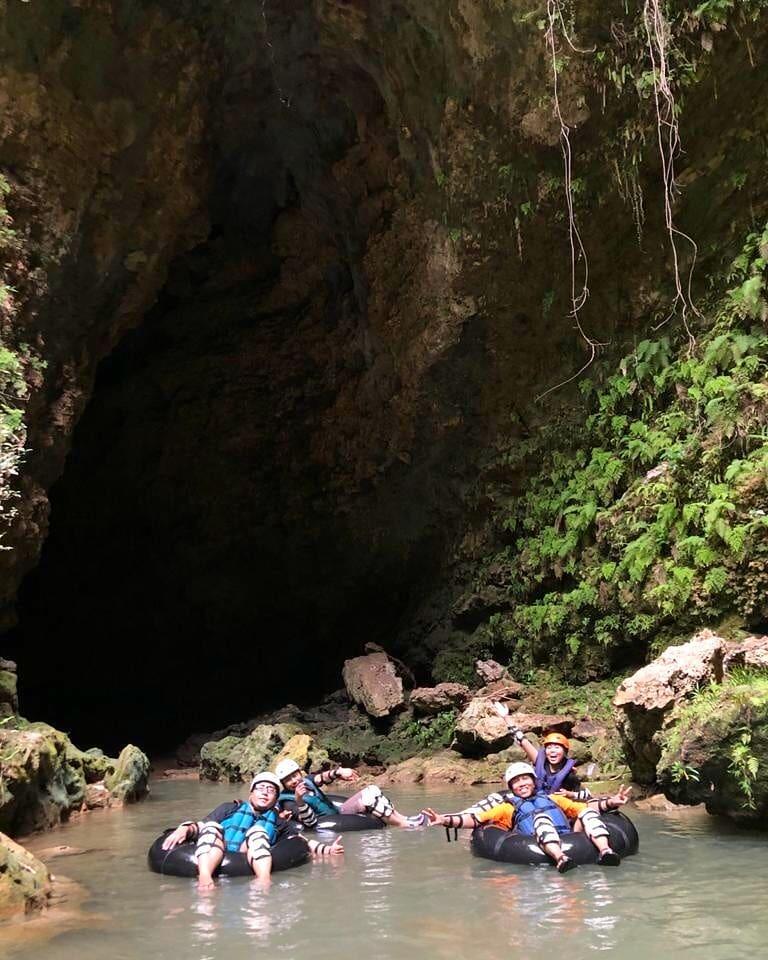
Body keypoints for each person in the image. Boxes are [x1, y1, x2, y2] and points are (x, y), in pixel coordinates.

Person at [424, 762, 631, 874]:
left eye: (525, 779)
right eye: (516, 782)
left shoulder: (553, 798)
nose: (522, 784)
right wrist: (445, 820)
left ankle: (605, 851)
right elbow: (477, 819)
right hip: (537, 840)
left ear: (533, 782)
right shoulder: (506, 807)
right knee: (541, 818)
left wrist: (612, 802)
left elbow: (584, 807)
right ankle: (561, 859)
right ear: (511, 787)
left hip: (570, 835)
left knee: (587, 813)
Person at [161, 771, 343, 889]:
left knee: (258, 832)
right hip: (219, 846)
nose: (265, 792)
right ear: (251, 793)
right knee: (211, 827)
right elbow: (201, 827)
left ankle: (263, 881)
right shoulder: (229, 808)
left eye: (270, 790)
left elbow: (301, 841)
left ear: (275, 799)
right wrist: (183, 828)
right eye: (261, 788)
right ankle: (205, 878)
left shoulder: (280, 823)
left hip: (248, 850)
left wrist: (328, 850)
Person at [275, 758, 429, 829]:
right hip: (327, 821)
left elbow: (322, 777)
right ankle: (405, 825)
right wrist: (300, 801)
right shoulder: (288, 801)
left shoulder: (307, 780)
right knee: (369, 800)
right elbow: (309, 822)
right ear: (283, 784)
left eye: (295, 775)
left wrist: (340, 771)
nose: (294, 781)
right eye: (288, 780)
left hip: (339, 812)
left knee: (372, 790)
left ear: (299, 773)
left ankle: (403, 818)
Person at [492, 701, 591, 799]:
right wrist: (506, 717)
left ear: (564, 752)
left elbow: (587, 795)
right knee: (500, 795)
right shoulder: (539, 760)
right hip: (533, 800)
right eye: (549, 747)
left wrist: (571, 794)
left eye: (557, 747)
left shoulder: (569, 775)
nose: (552, 751)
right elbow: (522, 739)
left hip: (555, 806)